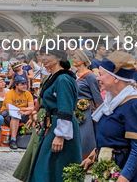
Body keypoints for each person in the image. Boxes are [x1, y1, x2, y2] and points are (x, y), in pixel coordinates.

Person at [82, 52, 137, 182]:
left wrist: (124, 177)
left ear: (116, 78)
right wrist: (93, 155)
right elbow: (109, 136)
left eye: (102, 74)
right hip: (108, 163)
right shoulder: (112, 100)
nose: (97, 78)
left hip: (125, 169)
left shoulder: (135, 105)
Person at [28, 49, 81, 182]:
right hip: (52, 124)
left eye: (48, 56)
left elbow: (65, 107)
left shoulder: (63, 79)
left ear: (58, 58)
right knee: (47, 164)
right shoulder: (55, 77)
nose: (43, 59)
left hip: (61, 126)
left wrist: (60, 135)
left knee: (57, 165)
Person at [72, 49, 103, 158]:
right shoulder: (73, 74)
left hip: (85, 109)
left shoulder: (90, 76)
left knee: (85, 135)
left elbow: (97, 95)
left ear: (82, 60)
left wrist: (99, 113)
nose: (72, 60)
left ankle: (87, 159)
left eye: (75, 58)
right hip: (74, 108)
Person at [2, 75, 34, 150]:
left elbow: (32, 108)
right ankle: (13, 140)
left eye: (25, 84)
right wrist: (24, 109)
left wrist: (24, 112)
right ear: (16, 85)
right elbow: (9, 108)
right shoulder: (10, 93)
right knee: (16, 116)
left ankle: (31, 141)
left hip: (23, 113)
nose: (25, 86)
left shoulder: (28, 93)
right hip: (8, 113)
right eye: (22, 84)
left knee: (33, 118)